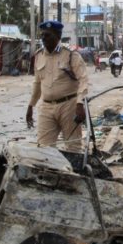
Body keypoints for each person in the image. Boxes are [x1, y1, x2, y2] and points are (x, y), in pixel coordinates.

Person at [26, 20, 88, 152]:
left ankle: (73, 172)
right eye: (42, 35)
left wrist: (80, 104)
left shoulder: (71, 55)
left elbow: (84, 80)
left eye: (48, 35)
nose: (44, 38)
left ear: (58, 37)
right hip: (46, 107)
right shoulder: (39, 56)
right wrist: (31, 105)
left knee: (73, 146)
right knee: (44, 147)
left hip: (69, 106)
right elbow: (37, 83)